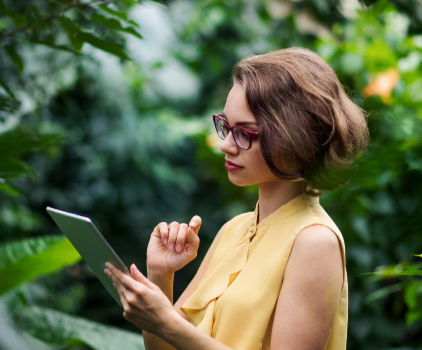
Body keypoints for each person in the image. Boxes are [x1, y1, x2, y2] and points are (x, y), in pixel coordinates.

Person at [105, 47, 369, 350]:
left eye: (244, 132)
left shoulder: (314, 242)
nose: (226, 146)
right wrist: (161, 276)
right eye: (225, 127)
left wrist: (168, 322)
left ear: (294, 135)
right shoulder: (235, 229)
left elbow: (172, 330)